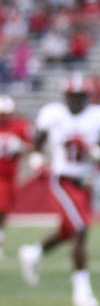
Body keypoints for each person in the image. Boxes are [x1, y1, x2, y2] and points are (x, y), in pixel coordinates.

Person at [18, 74, 100, 306]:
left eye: (81, 96)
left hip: (85, 182)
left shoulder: (98, 117)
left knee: (69, 230)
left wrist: (94, 150)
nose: (76, 101)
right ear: (65, 96)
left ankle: (33, 252)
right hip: (62, 179)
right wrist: (38, 164)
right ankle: (82, 291)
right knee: (80, 229)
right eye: (73, 96)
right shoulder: (54, 115)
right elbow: (37, 147)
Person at [0, 95, 33, 258]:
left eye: (6, 114)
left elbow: (31, 146)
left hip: (9, 176)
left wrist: (20, 146)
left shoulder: (18, 126)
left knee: (3, 211)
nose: (3, 117)